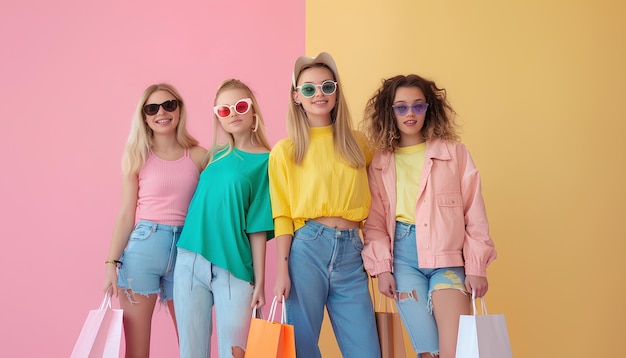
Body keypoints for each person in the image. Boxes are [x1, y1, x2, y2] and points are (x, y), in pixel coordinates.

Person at [360, 74, 497, 358]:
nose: (410, 113)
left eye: (418, 106)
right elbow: (374, 224)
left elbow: (474, 213)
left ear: (428, 109)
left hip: (447, 258)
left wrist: (476, 267)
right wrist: (382, 269)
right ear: (390, 111)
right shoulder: (380, 163)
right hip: (403, 260)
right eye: (401, 107)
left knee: (455, 352)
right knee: (428, 353)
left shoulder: (455, 154)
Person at [269, 52, 381, 358]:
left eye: (326, 86)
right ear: (296, 97)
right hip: (307, 248)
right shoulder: (286, 151)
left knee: (366, 350)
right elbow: (281, 215)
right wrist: (281, 270)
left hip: (351, 250)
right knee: (302, 347)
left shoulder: (360, 143)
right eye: (309, 88)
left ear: (336, 91)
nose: (319, 94)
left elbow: (388, 183)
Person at [102, 83, 207, 358]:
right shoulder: (138, 157)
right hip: (142, 252)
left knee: (194, 347)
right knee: (137, 351)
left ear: (180, 109)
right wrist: (111, 264)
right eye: (153, 108)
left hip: (188, 251)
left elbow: (212, 208)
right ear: (145, 117)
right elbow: (126, 214)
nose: (162, 112)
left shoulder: (198, 156)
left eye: (169, 105)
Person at [173, 79, 274, 358]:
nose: (234, 114)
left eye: (240, 106)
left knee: (236, 353)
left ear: (253, 111)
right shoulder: (212, 156)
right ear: (218, 116)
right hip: (189, 261)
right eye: (224, 110)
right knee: (190, 353)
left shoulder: (268, 161)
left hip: (235, 268)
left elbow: (258, 225)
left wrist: (260, 282)